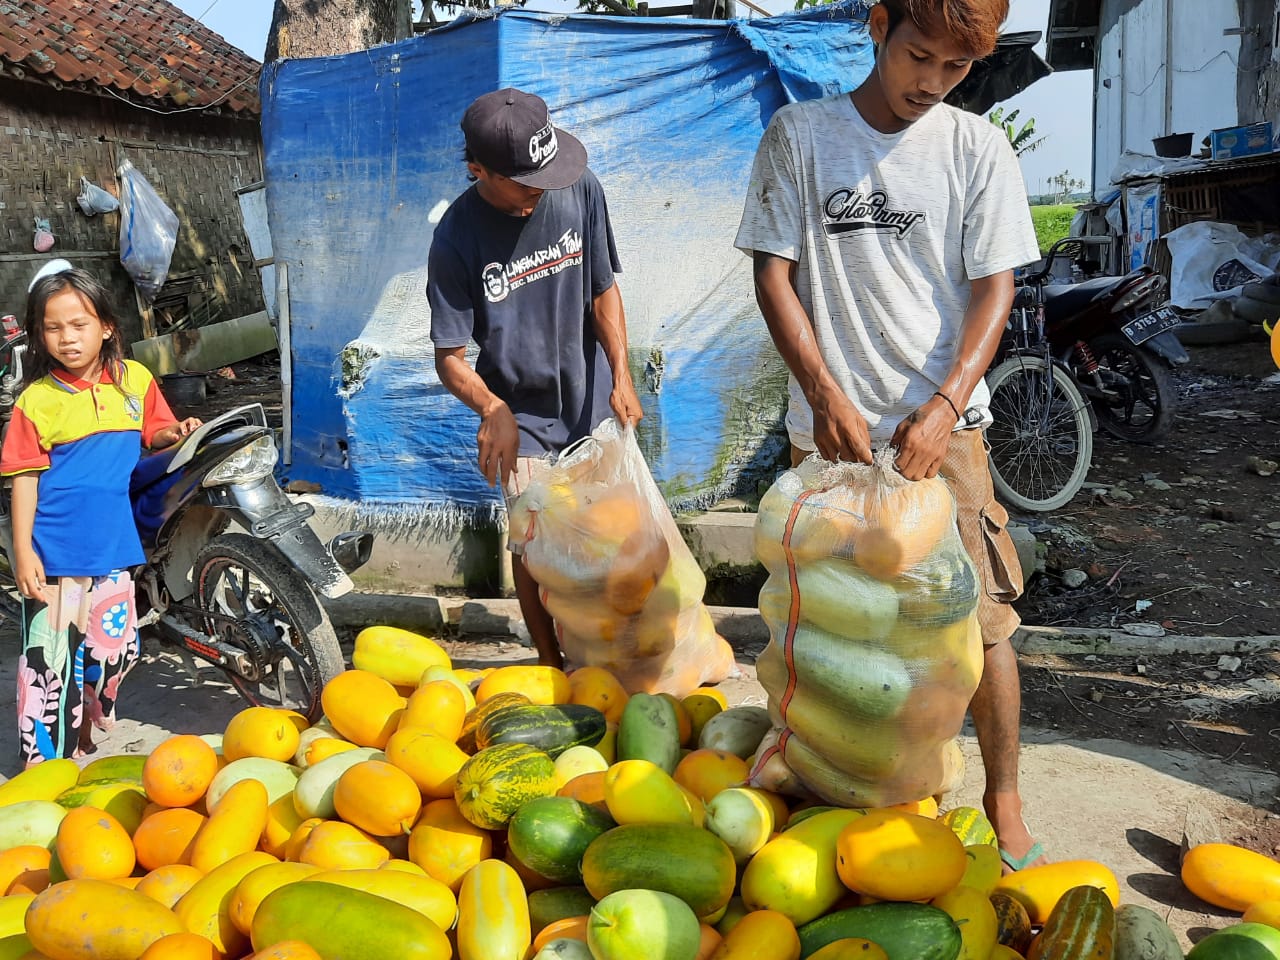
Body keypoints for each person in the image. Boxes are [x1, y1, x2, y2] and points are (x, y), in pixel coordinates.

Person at [735, 0, 1046, 871]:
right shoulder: (799, 137)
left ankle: (1003, 796)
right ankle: (841, 791)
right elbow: (774, 276)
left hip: (943, 439)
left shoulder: (976, 150)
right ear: (878, 24)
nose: (931, 83)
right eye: (918, 56)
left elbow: (995, 290)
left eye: (955, 70)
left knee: (979, 627)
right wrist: (823, 391)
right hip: (825, 445)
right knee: (832, 639)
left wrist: (946, 405)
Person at [428, 88, 643, 669]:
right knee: (533, 548)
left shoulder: (579, 187)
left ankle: (620, 654)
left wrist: (621, 372)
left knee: (614, 537)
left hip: (594, 402)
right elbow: (448, 353)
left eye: (547, 176)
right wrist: (491, 408)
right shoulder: (455, 237)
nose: (542, 190)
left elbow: (603, 289)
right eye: (526, 183)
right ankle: (552, 664)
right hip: (519, 419)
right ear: (478, 170)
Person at [1, 261, 201, 767]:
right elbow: (23, 479)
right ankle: (43, 769)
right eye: (52, 327)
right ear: (39, 336)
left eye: (79, 324)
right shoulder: (36, 401)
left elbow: (154, 429)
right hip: (54, 556)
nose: (67, 338)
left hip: (114, 548)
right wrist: (22, 551)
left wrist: (173, 434)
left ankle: (88, 722)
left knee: (116, 652)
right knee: (50, 667)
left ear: (106, 325)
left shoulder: (133, 380)